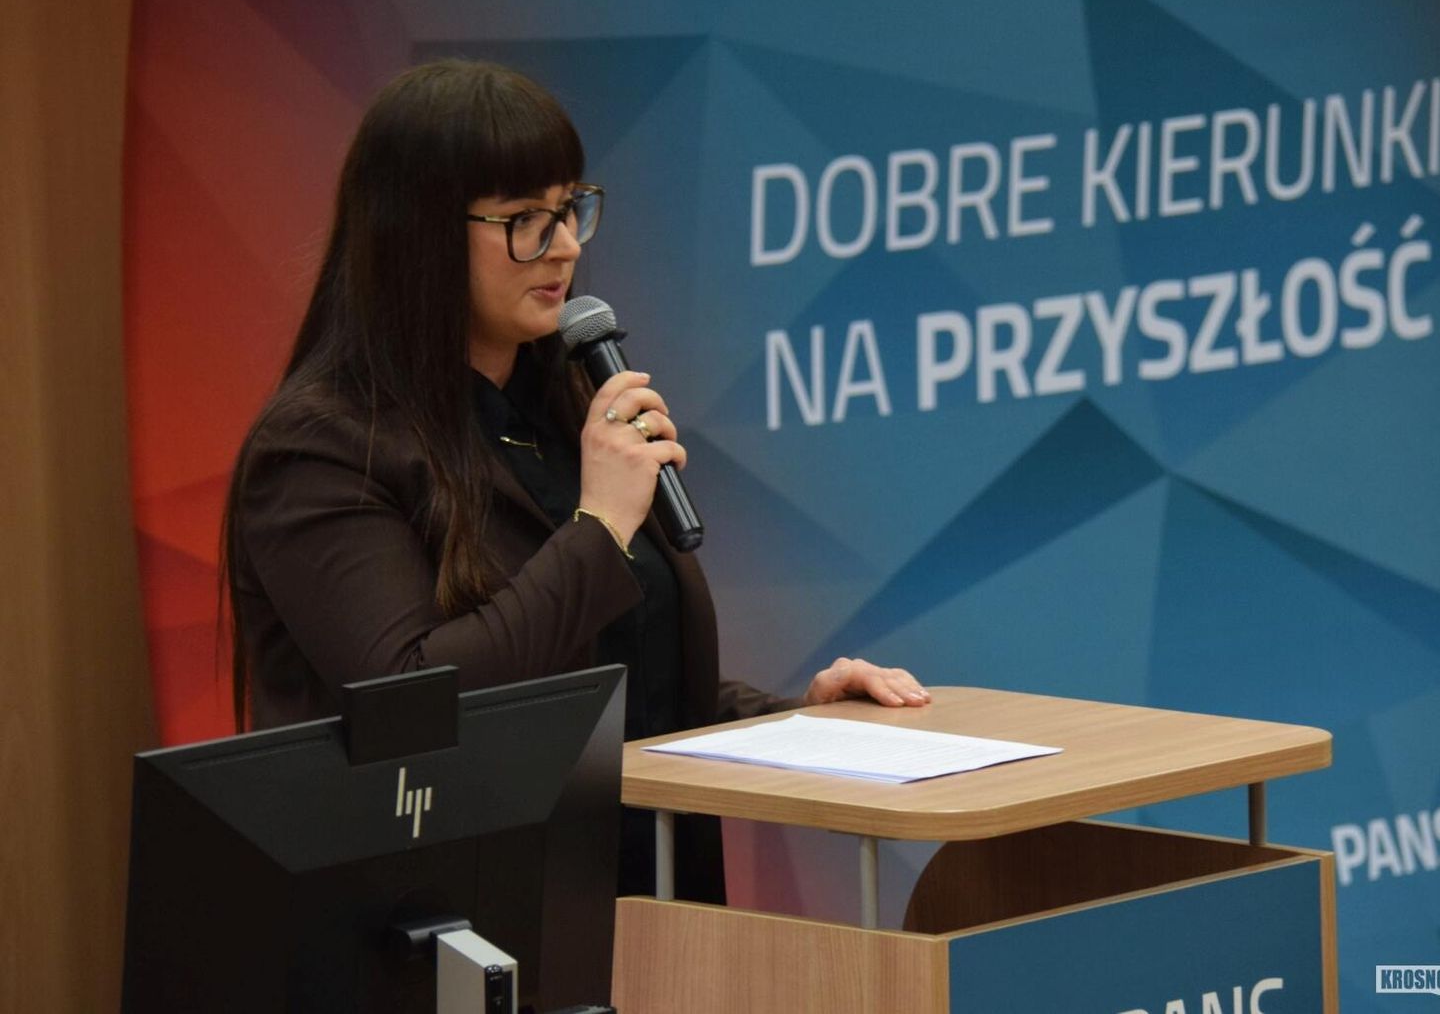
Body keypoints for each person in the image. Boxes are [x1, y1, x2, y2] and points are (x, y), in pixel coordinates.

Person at [222, 59, 928, 899]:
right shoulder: (321, 448)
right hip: (446, 922)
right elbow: (414, 698)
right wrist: (598, 528)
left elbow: (615, 683)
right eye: (524, 219)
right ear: (418, 232)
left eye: (568, 208)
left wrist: (795, 719)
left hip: (650, 903)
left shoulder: (561, 400)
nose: (564, 245)